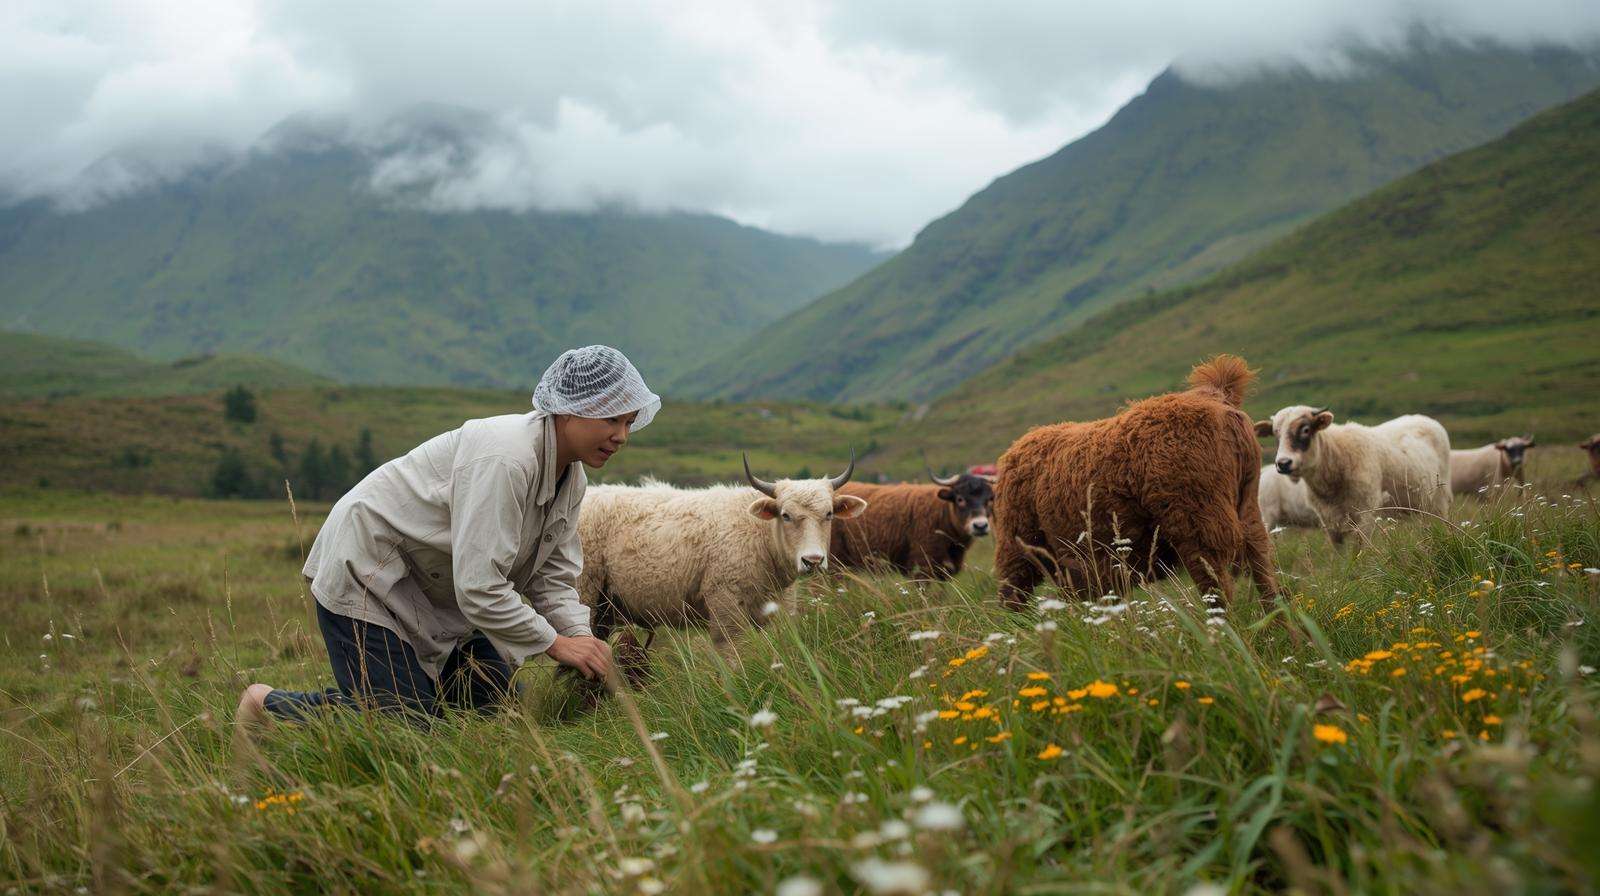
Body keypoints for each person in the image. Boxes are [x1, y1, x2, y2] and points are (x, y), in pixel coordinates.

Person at [235, 345, 660, 729]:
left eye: (627, 421)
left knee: (504, 714)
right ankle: (266, 707)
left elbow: (552, 577)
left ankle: (409, 697)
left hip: (435, 592)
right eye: (610, 419)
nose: (621, 435)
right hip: (371, 571)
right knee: (405, 730)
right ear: (568, 410)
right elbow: (479, 587)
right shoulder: (506, 459)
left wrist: (581, 638)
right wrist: (556, 644)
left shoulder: (572, 477)